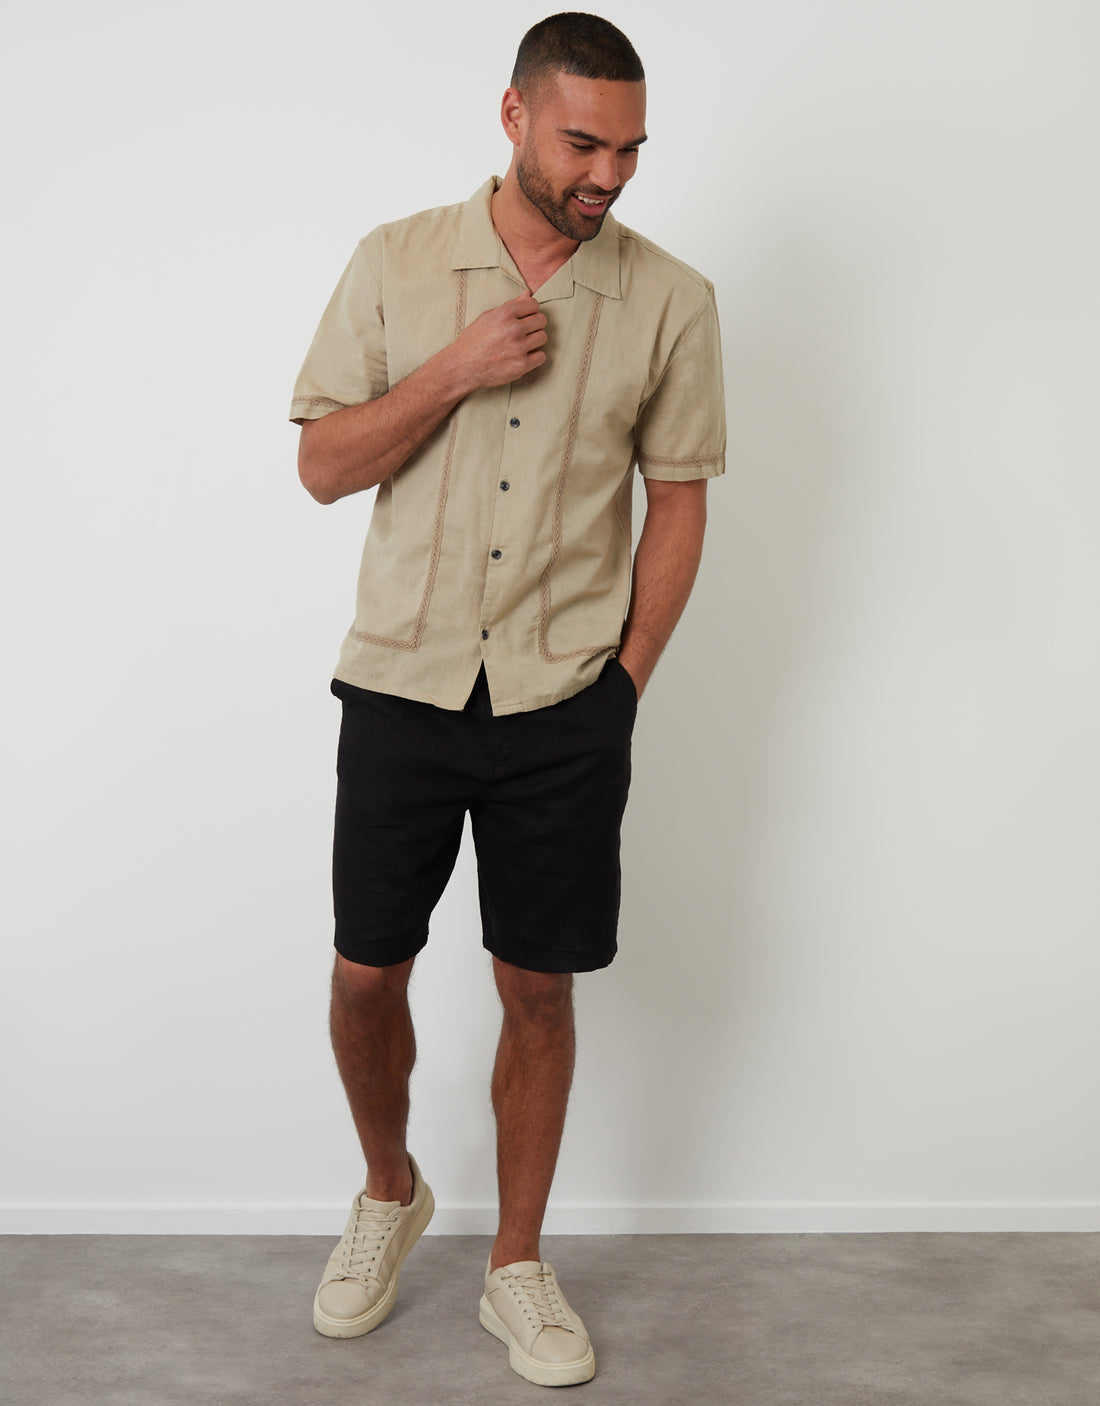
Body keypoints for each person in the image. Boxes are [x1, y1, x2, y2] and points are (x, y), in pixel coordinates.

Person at [288, 11, 725, 1388]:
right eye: (584, 143)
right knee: (367, 972)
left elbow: (677, 500)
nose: (610, 174)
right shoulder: (397, 261)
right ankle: (389, 1187)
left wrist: (624, 685)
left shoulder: (672, 299)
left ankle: (517, 1262)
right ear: (514, 115)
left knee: (539, 985)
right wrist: (454, 369)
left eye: (631, 149)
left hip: (563, 705)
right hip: (400, 685)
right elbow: (322, 466)